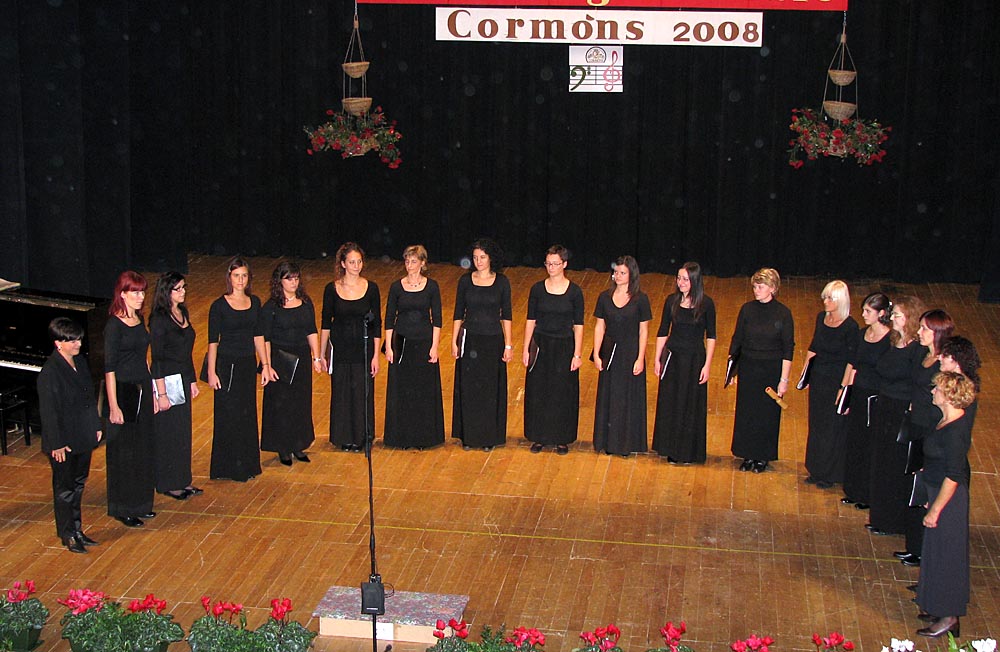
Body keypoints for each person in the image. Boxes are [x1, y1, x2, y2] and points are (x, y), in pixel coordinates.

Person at [914, 371, 975, 638]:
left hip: (948, 501)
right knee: (936, 553)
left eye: (937, 389)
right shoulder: (945, 421)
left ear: (949, 396)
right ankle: (937, 606)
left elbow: (954, 475)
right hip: (937, 492)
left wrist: (936, 509)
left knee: (948, 557)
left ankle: (949, 617)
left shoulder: (955, 431)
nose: (932, 392)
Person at [38, 317, 103, 553]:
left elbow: (89, 398)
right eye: (72, 341)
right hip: (63, 441)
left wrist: (96, 425)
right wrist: (56, 444)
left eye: (79, 339)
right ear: (58, 343)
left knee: (78, 484)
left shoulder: (80, 362)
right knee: (64, 489)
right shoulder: (50, 372)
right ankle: (67, 534)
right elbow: (49, 412)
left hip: (82, 434)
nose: (78, 344)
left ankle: (77, 529)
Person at [895, 309, 955, 567]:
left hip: (930, 428)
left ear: (938, 333)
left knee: (925, 489)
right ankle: (913, 544)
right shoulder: (923, 354)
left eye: (924, 329)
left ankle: (922, 549)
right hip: (916, 424)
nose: (919, 332)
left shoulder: (945, 363)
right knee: (913, 486)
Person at [206, 256, 270, 482]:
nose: (240, 280)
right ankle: (229, 467)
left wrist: (265, 365)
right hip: (227, 365)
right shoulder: (219, 306)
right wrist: (212, 372)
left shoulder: (255, 302)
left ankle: (247, 463)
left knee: (247, 414)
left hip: (246, 365)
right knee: (228, 415)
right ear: (229, 278)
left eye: (244, 276)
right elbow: (213, 342)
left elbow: (259, 336)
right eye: (236, 276)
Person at [866, 295, 925, 536]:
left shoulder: (917, 349)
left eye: (898, 315)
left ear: (909, 318)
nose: (893, 318)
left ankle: (894, 520)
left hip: (901, 410)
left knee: (896, 465)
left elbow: (916, 382)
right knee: (882, 462)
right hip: (886, 405)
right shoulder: (894, 340)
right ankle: (881, 516)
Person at [728, 268, 794, 473]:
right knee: (747, 412)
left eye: (761, 286)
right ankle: (747, 454)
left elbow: (788, 349)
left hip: (770, 370)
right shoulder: (747, 310)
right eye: (755, 286)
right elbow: (737, 340)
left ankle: (762, 456)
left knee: (766, 415)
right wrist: (732, 371)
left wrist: (784, 380)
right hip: (749, 368)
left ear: (772, 288)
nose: (756, 290)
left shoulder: (783, 313)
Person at [104, 270, 156, 528]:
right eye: (134, 292)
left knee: (142, 448)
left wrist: (152, 390)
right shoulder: (114, 326)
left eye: (142, 291)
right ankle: (123, 507)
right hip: (123, 391)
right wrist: (113, 406)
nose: (140, 296)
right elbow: (109, 369)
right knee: (124, 452)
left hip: (142, 388)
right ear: (122, 294)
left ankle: (141, 503)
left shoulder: (139, 318)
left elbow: (144, 358)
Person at [451, 238, 513, 451]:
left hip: (493, 341)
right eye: (475, 257)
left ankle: (488, 437)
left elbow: (507, 315)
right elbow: (458, 313)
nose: (478, 261)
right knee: (469, 389)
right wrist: (454, 341)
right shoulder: (465, 281)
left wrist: (508, 344)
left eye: (482, 257)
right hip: (470, 340)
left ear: (491, 258)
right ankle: (469, 436)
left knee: (489, 390)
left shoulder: (502, 282)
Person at [523, 245, 585, 455]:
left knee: (562, 393)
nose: (551, 267)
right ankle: (539, 436)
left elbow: (579, 325)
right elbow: (531, 320)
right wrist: (526, 349)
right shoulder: (537, 290)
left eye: (555, 264)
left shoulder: (575, 292)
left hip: (564, 346)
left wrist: (577, 354)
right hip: (541, 345)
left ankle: (561, 438)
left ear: (564, 264)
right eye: (548, 263)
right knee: (538, 391)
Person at [320, 243, 382, 452]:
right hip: (341, 348)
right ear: (343, 264)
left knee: (362, 393)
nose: (356, 266)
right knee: (342, 393)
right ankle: (343, 437)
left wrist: (376, 355)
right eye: (352, 262)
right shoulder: (331, 289)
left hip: (363, 347)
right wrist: (321, 354)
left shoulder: (371, 288)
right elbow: (325, 323)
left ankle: (363, 437)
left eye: (359, 261)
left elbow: (377, 324)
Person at [652, 262, 716, 463]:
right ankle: (670, 448)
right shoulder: (671, 301)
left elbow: (711, 336)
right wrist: (657, 358)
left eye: (685, 279)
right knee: (671, 403)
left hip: (694, 360)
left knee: (690, 405)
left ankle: (688, 451)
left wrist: (707, 365)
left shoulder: (706, 304)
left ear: (695, 281)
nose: (681, 282)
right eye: (679, 278)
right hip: (673, 358)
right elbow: (663, 331)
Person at [259, 262, 322, 465]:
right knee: (281, 405)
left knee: (300, 403)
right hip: (280, 360)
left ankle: (298, 444)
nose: (294, 282)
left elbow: (311, 330)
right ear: (279, 281)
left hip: (301, 358)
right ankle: (283, 447)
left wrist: (316, 357)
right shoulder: (271, 307)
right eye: (289, 279)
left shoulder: (305, 302)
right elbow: (265, 338)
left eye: (296, 278)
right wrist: (267, 365)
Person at [383, 245, 445, 449]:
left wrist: (434, 346)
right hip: (401, 343)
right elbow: (389, 318)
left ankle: (423, 437)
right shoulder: (396, 287)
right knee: (402, 390)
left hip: (424, 342)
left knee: (422, 391)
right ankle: (402, 437)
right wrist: (389, 347)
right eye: (407, 261)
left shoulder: (432, 287)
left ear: (422, 263)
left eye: (414, 261)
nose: (409, 265)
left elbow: (437, 319)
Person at [801, 280, 859, 488]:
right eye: (824, 297)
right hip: (819, 379)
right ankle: (815, 469)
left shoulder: (850, 327)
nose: (825, 301)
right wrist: (805, 374)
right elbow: (814, 346)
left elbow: (852, 361)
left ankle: (829, 473)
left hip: (836, 381)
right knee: (816, 425)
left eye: (830, 298)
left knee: (832, 428)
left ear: (841, 301)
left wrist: (844, 388)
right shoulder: (821, 318)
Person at [592, 255, 651, 456]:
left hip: (630, 353)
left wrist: (640, 358)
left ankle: (626, 444)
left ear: (631, 275)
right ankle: (608, 442)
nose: (617, 276)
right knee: (609, 396)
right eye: (616, 272)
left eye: (622, 273)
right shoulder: (604, 297)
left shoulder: (641, 299)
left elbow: (643, 330)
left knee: (628, 398)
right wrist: (597, 354)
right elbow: (599, 327)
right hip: (610, 353)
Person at [150, 272, 202, 500]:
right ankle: (168, 482)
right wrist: (161, 393)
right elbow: (157, 359)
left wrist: (192, 380)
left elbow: (186, 353)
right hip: (167, 380)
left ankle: (182, 479)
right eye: (178, 288)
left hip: (182, 377)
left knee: (182, 432)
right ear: (166, 292)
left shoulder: (183, 312)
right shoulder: (159, 320)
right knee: (168, 433)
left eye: (184, 287)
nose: (183, 292)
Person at [839, 292, 892, 510]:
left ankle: (868, 494)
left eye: (868, 311)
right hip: (859, 393)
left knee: (871, 446)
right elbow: (853, 364)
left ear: (881, 313)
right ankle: (853, 489)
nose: (863, 314)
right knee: (855, 442)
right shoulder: (862, 334)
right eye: (863, 310)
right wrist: (845, 391)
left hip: (876, 397)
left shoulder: (890, 340)